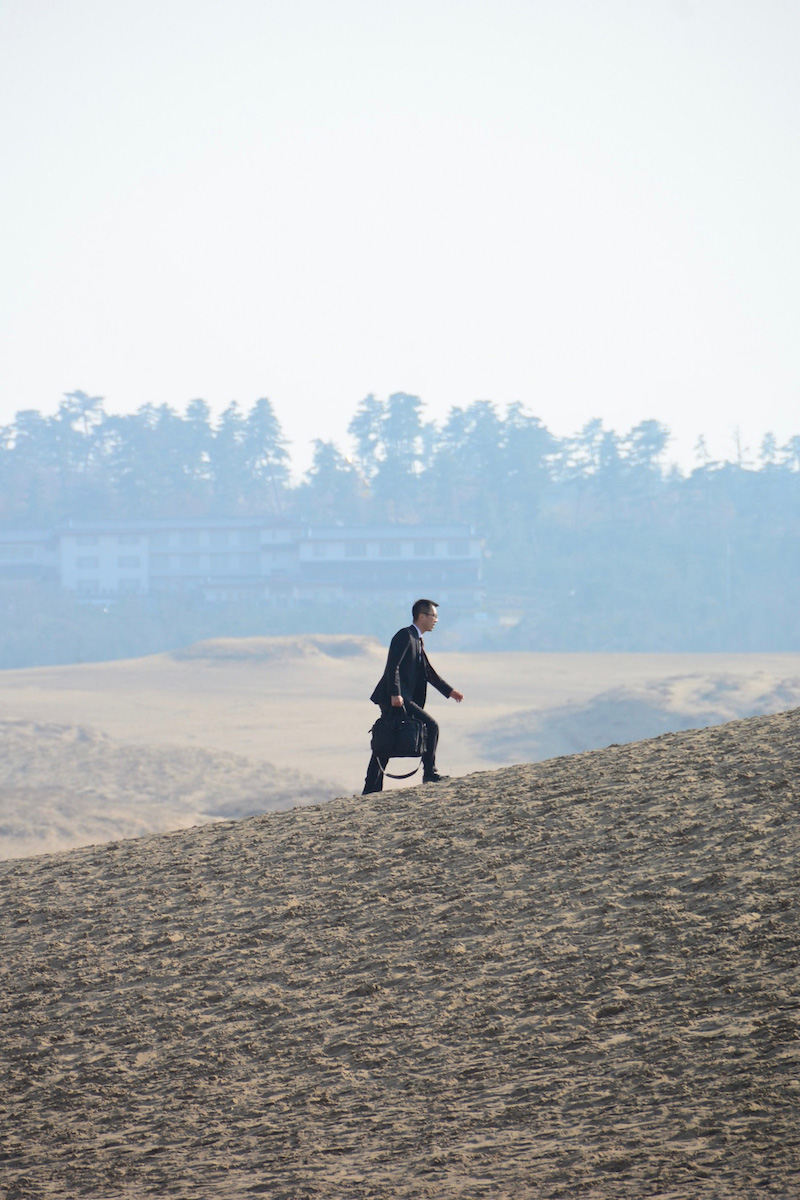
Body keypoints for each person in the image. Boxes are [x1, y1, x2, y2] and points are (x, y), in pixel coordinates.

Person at [362, 598, 464, 794]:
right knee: (431, 725)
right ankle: (430, 773)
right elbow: (393, 666)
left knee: (386, 740)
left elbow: (428, 672)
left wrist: (450, 692)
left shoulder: (417, 640)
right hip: (396, 698)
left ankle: (371, 788)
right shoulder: (405, 636)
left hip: (401, 698)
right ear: (422, 616)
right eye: (434, 616)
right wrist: (395, 693)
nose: (436, 620)